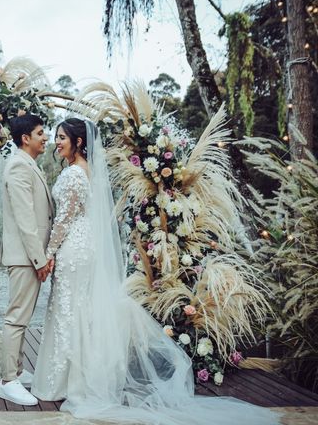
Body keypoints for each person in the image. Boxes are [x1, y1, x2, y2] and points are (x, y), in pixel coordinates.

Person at [31, 117, 280, 424]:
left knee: (66, 311)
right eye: (55, 137)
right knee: (79, 312)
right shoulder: (89, 172)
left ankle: (61, 380)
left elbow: (64, 220)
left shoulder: (72, 175)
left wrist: (48, 253)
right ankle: (75, 379)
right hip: (86, 248)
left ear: (79, 142)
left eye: (62, 137)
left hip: (72, 248)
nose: (57, 142)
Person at [0, 114, 55, 407]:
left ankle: (17, 371)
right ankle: (8, 381)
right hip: (25, 257)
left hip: (29, 256)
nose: (46, 137)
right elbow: (25, 219)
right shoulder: (19, 165)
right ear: (25, 138)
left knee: (21, 317)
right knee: (16, 318)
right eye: (41, 132)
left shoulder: (29, 164)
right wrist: (40, 258)